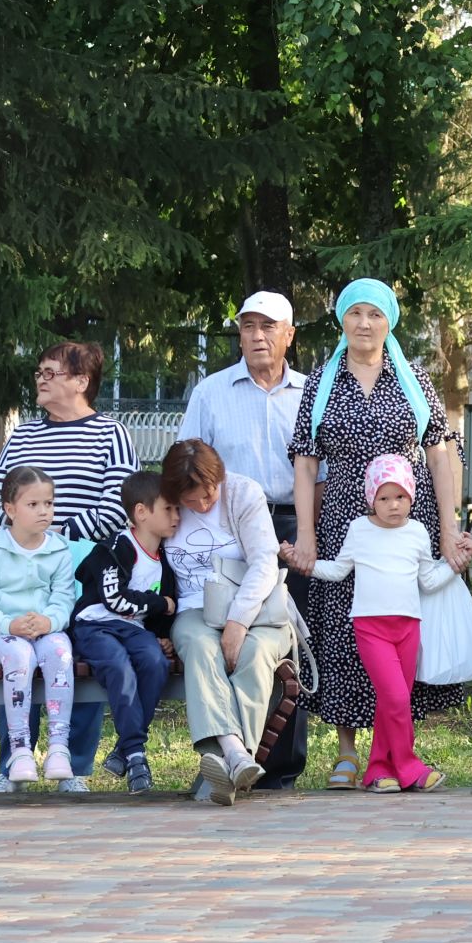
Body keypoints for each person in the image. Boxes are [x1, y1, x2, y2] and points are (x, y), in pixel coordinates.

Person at [286, 279, 472, 791]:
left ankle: (391, 751)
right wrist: (306, 535)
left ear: (389, 321)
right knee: (348, 631)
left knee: (404, 630)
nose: (364, 324)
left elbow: (439, 452)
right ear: (341, 321)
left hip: (408, 519)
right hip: (346, 517)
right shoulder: (322, 381)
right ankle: (349, 751)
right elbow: (305, 462)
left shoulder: (413, 378)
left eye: (375, 314)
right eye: (354, 314)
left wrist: (450, 528)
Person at [0, 341, 137, 792]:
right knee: (21, 655)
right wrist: (30, 536)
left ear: (81, 381)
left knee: (75, 658)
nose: (41, 379)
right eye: (39, 371)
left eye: (51, 372)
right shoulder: (25, 435)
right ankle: (14, 763)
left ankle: (74, 765)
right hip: (21, 569)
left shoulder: (111, 434)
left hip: (85, 570)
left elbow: (117, 505)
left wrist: (53, 537)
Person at [175, 290, 312, 789]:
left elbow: (321, 470)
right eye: (248, 326)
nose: (257, 336)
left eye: (268, 327)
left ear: (288, 335)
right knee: (222, 640)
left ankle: (279, 768)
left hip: (294, 525)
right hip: (223, 528)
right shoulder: (212, 392)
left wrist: (311, 534)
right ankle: (232, 760)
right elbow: (185, 457)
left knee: (281, 644)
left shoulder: (309, 393)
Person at [310, 454, 459, 793]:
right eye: (384, 497)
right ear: (371, 500)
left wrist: (456, 563)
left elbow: (430, 581)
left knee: (392, 701)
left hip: (408, 627)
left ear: (411, 496)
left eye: (401, 496)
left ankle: (379, 771)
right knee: (395, 697)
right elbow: (337, 571)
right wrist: (305, 564)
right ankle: (410, 767)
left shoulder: (418, 531)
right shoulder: (359, 530)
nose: (394, 505)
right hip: (371, 628)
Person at [160, 439, 297, 805]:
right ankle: (237, 755)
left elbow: (265, 563)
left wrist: (237, 621)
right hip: (193, 608)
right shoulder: (166, 502)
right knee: (201, 647)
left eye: (208, 495)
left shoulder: (243, 493)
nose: (202, 505)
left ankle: (229, 763)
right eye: (192, 502)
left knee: (254, 652)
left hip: (257, 609)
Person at [73, 472, 180, 796]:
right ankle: (135, 754)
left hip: (132, 628)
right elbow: (115, 599)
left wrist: (164, 634)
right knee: (119, 666)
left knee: (154, 661)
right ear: (141, 512)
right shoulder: (118, 547)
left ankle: (124, 749)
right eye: (169, 509)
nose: (176, 517)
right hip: (96, 624)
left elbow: (167, 608)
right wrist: (159, 603)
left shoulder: (166, 557)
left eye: (178, 510)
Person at [0, 467, 77, 787]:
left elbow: (64, 598)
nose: (44, 511)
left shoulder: (58, 549)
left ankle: (59, 747)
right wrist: (9, 624)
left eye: (49, 503)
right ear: (10, 509)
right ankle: (20, 750)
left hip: (45, 632)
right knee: (19, 655)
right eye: (33, 504)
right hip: (1, 636)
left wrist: (49, 621)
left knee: (60, 650)